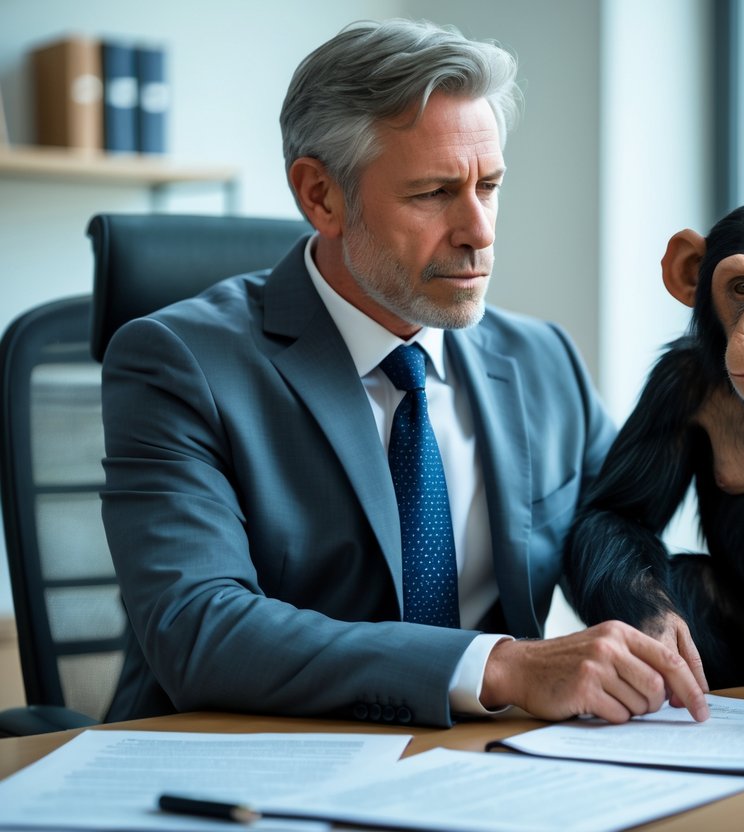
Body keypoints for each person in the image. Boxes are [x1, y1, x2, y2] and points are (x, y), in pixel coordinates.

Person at [100, 18, 708, 729]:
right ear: (320, 197)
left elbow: (613, 531)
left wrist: (652, 607)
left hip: (492, 768)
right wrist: (500, 666)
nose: (479, 230)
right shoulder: (177, 364)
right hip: (238, 770)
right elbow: (199, 628)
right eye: (434, 193)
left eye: (490, 185)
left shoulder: (543, 362)